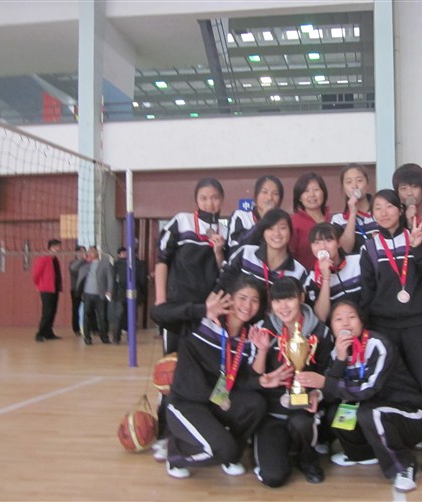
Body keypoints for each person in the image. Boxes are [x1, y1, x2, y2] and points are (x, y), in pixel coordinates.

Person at [151, 275, 291, 479]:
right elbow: (158, 314)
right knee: (224, 449)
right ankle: (176, 452)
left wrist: (261, 365)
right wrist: (202, 310)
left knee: (256, 404)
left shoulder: (249, 337)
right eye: (242, 298)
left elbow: (242, 379)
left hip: (217, 401)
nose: (248, 305)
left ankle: (229, 453)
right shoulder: (201, 322)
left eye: (254, 300)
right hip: (186, 404)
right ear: (230, 299)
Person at [359, 189, 422, 482]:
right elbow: (367, 292)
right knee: (389, 389)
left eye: (389, 206)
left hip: (417, 324)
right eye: (377, 208)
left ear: (400, 209)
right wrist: (367, 332)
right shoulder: (370, 247)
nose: (383, 213)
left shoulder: (416, 237)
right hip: (384, 329)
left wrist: (420, 248)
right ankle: (399, 446)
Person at [297, 301, 422, 493]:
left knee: (369, 413)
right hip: (372, 412)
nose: (346, 323)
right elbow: (332, 390)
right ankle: (362, 454)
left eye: (351, 317)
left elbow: (368, 389)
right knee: (336, 413)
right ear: (331, 326)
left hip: (408, 415)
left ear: (361, 321)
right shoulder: (337, 351)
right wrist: (318, 393)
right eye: (338, 319)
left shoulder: (378, 345)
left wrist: (325, 382)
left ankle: (404, 465)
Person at [152, 176, 227, 461]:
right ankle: (166, 434)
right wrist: (161, 300)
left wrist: (219, 251)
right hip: (179, 311)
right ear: (196, 200)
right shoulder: (181, 222)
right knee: (170, 373)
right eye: (204, 197)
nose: (210, 202)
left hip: (208, 314)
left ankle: (198, 430)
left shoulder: (225, 229)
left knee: (204, 374)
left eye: (215, 197)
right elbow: (162, 260)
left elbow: (223, 271)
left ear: (222, 200)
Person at [251, 277, 333, 487]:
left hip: (303, 407)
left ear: (302, 298)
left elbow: (329, 373)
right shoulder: (263, 329)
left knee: (302, 424)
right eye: (277, 301)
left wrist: (317, 393)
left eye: (289, 299)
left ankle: (307, 458)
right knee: (274, 477)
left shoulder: (320, 331)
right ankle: (275, 449)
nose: (283, 306)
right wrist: (262, 352)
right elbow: (252, 376)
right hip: (271, 411)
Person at [216, 208, 306, 296]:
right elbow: (224, 282)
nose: (276, 233)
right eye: (270, 228)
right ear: (263, 232)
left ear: (290, 232)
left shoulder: (299, 272)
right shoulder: (245, 254)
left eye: (282, 228)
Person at [303, 222, 362, 322]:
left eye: (328, 240)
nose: (322, 247)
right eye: (316, 243)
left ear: (338, 243)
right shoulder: (312, 280)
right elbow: (321, 317)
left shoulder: (358, 261)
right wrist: (326, 279)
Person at [227, 175, 284, 257]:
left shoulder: (282, 222)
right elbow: (235, 248)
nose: (269, 198)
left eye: (275, 193)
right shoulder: (241, 216)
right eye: (264, 192)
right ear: (256, 196)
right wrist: (263, 221)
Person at [330, 163, 378, 255]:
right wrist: (352, 214)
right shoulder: (338, 220)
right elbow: (345, 249)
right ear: (343, 188)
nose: (354, 186)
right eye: (349, 182)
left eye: (359, 180)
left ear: (367, 184)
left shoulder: (381, 213)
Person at [290, 172, 331, 271]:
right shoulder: (293, 222)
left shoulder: (334, 220)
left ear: (323, 193)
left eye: (316, 190)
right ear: (299, 197)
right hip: (304, 277)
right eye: (306, 191)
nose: (312, 195)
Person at [77, 246, 114, 345]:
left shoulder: (105, 263)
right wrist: (82, 259)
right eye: (88, 252)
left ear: (97, 252)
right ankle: (87, 337)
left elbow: (110, 278)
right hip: (87, 294)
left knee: (102, 317)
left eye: (92, 251)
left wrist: (109, 290)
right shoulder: (85, 264)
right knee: (86, 316)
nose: (89, 253)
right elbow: (73, 268)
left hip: (100, 295)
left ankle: (104, 336)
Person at [112, 246, 148, 344]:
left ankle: (116, 338)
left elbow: (114, 280)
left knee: (119, 315)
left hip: (120, 293)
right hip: (133, 292)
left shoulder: (117, 264)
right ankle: (130, 337)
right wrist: (142, 293)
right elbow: (142, 281)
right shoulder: (140, 264)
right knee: (132, 315)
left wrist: (114, 293)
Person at [32, 238, 63, 342]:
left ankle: (48, 333)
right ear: (52, 247)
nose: (59, 248)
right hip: (46, 289)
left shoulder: (55, 259)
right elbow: (36, 274)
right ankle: (40, 334)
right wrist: (39, 285)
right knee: (47, 312)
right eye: (58, 246)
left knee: (53, 311)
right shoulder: (44, 258)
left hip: (55, 289)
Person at [392, 163, 422, 231]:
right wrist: (409, 223)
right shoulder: (396, 217)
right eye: (403, 189)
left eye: (414, 187)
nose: (409, 193)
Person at [69, 245, 87, 337]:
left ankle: (92, 328)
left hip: (86, 289)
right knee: (75, 309)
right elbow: (73, 270)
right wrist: (82, 260)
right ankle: (76, 329)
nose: (83, 253)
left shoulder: (87, 262)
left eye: (84, 251)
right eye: (81, 251)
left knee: (90, 309)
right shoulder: (73, 263)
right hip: (75, 289)